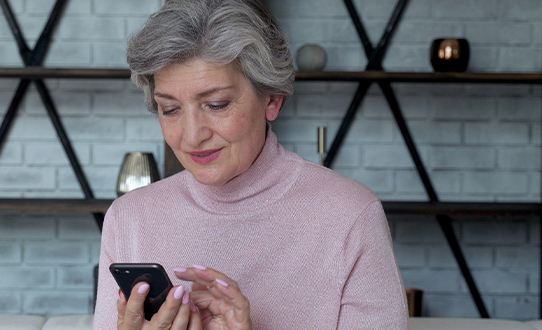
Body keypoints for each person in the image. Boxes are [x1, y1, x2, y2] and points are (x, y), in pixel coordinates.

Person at [93, 0, 408, 329]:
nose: (191, 136)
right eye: (170, 109)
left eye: (217, 104)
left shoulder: (350, 217)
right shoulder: (128, 219)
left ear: (271, 99)